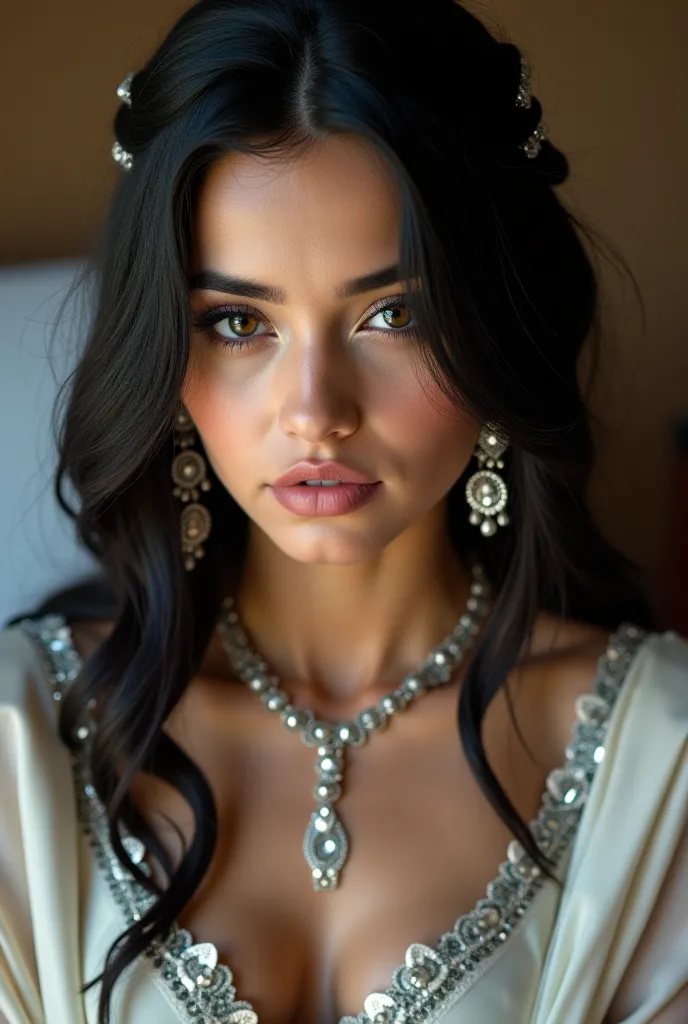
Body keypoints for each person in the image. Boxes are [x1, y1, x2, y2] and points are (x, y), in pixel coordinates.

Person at [1, 0, 687, 1022]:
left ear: (495, 330)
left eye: (393, 314)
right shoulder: (19, 743)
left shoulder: (663, 757)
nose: (316, 412)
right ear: (164, 357)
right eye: (238, 322)